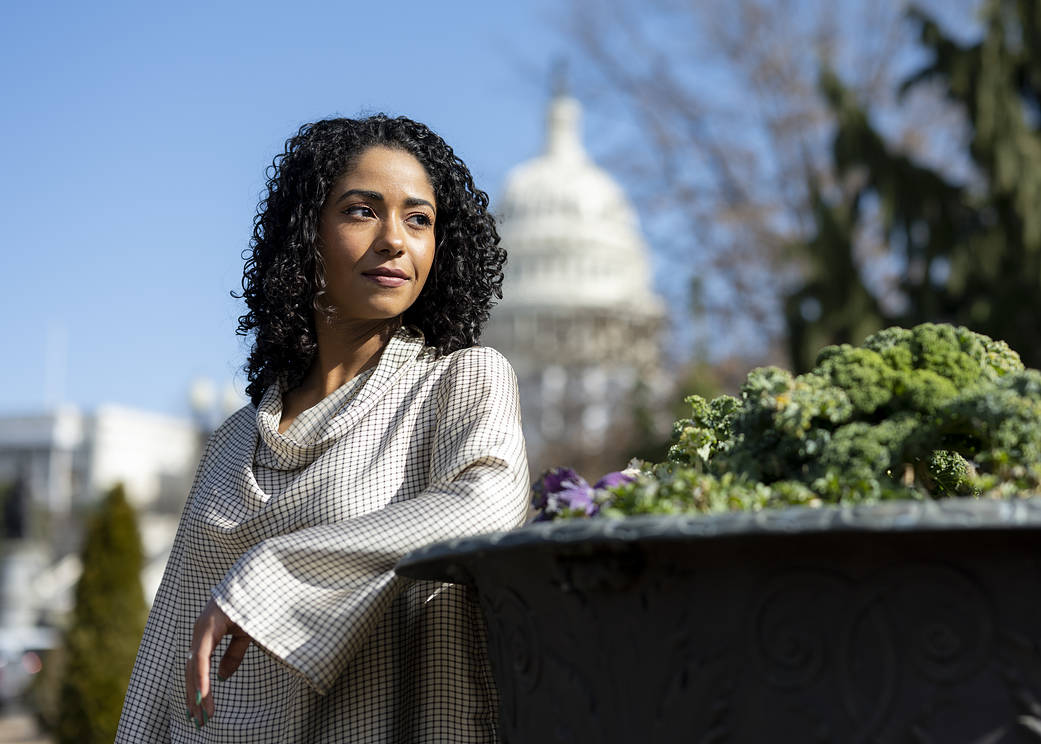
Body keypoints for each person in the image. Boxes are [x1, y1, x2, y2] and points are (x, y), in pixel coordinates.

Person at [115, 115, 529, 743]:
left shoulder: (459, 382)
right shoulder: (232, 441)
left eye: (419, 219)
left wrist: (273, 570)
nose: (395, 240)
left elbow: (486, 509)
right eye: (363, 211)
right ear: (305, 232)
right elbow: (169, 640)